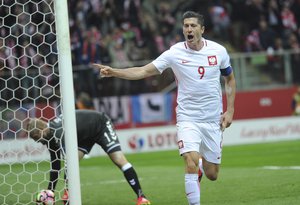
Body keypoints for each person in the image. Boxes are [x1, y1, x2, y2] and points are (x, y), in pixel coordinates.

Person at [94, 11, 236, 205]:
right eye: (186, 26)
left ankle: (203, 167)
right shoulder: (174, 53)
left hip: (212, 119)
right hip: (188, 118)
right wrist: (114, 72)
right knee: (190, 160)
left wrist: (230, 111)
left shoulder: (219, 51)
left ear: (202, 29)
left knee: (212, 174)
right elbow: (143, 70)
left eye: (193, 26)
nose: (189, 29)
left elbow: (229, 79)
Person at [26, 109, 151, 205]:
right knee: (70, 164)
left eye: (37, 137)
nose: (37, 141)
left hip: (100, 125)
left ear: (42, 130)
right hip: (83, 136)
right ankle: (69, 195)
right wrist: (50, 192)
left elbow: (63, 162)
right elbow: (55, 165)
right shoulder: (50, 137)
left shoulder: (59, 132)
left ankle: (142, 197)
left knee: (119, 160)